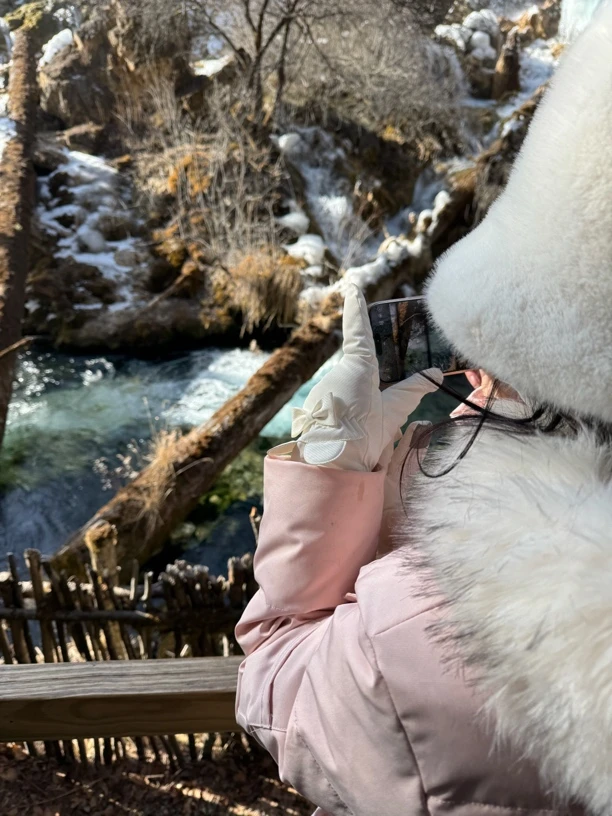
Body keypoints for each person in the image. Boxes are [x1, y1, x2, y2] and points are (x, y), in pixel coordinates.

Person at [235, 1, 612, 814]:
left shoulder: (427, 625)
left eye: (507, 358)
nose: (479, 376)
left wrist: (337, 463)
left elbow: (276, 680)